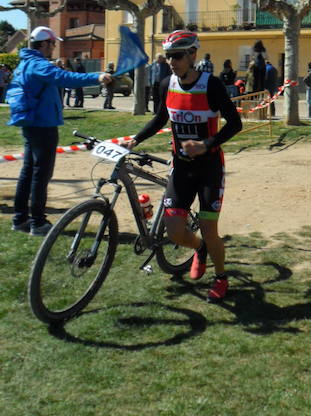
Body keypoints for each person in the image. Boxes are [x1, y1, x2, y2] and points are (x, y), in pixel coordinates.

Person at [120, 30, 242, 302]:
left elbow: (236, 124)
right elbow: (160, 118)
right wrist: (135, 140)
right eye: (168, 56)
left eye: (177, 56)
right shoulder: (166, 84)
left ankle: (221, 277)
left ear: (192, 55)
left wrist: (207, 144)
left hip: (209, 168)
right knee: (175, 232)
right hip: (182, 168)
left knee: (210, 230)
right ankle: (199, 250)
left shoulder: (211, 86)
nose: (171, 61)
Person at [7, 26, 111, 235]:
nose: (54, 48)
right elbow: (65, 78)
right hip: (43, 126)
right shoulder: (39, 65)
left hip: (31, 123)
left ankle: (20, 219)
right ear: (45, 44)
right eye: (53, 44)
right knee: (40, 175)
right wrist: (97, 77)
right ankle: (38, 222)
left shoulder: (25, 63)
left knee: (29, 172)